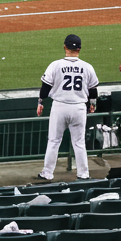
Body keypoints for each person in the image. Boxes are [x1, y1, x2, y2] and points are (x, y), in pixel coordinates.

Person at [36, 34, 99, 181]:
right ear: (79, 49)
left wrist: (40, 102)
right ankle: (83, 174)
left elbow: (45, 87)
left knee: (54, 141)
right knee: (79, 143)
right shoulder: (87, 67)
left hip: (60, 107)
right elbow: (93, 90)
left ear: (65, 47)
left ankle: (47, 173)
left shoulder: (55, 65)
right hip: (79, 108)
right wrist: (93, 104)